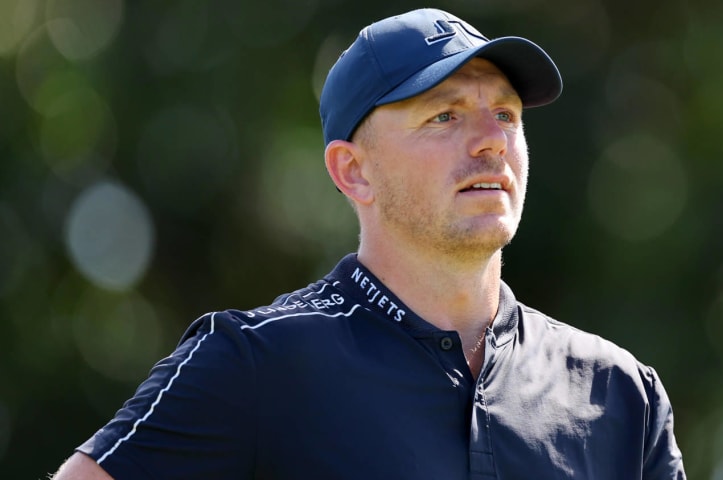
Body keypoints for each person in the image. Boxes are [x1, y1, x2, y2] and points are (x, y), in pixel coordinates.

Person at [53, 8, 686, 479]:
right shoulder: (255, 363)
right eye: (444, 115)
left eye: (506, 114)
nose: (491, 139)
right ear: (353, 171)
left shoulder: (620, 394)